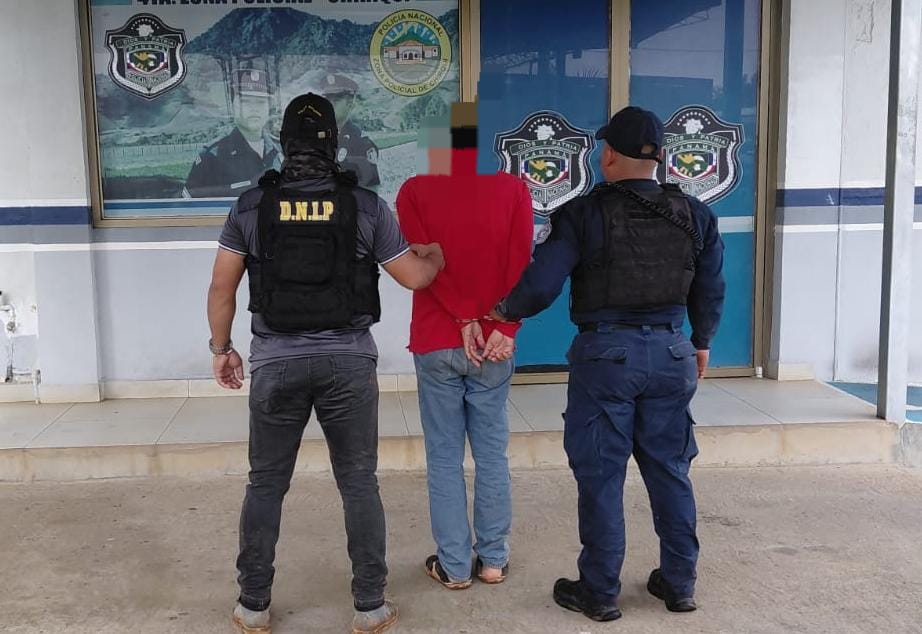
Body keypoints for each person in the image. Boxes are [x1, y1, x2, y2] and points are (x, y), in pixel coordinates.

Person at [206, 92, 444, 634]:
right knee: (358, 482)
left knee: (265, 483)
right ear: (334, 144)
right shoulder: (365, 206)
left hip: (275, 364)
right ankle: (370, 606)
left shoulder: (251, 206)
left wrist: (222, 349)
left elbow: (221, 288)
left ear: (282, 144)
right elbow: (414, 277)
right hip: (348, 364)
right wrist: (434, 254)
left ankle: (253, 605)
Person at [490, 106, 726, 622]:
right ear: (659, 157)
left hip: (606, 357)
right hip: (672, 352)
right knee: (671, 471)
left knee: (601, 475)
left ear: (610, 155)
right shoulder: (695, 213)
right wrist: (701, 341)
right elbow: (710, 286)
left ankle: (599, 592)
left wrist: (502, 312)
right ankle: (679, 584)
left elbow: (542, 284)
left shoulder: (583, 213)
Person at [395, 103, 534, 590]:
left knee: (444, 457)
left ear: (433, 144)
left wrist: (459, 317)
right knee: (492, 454)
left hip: (436, 339)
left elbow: (421, 263)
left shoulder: (413, 192)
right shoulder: (513, 190)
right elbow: (522, 265)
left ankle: (454, 566)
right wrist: (503, 326)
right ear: (481, 143)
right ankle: (493, 559)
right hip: (494, 343)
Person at [184, 68, 282, 198]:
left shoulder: (281, 150)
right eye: (246, 101)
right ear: (232, 106)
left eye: (260, 102)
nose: (254, 109)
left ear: (268, 107)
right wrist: (246, 187)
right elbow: (190, 201)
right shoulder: (213, 156)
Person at [322, 74, 381, 189]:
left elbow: (371, 192)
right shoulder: (315, 138)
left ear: (350, 103)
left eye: (337, 99)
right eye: (328, 99)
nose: (330, 104)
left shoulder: (361, 143)